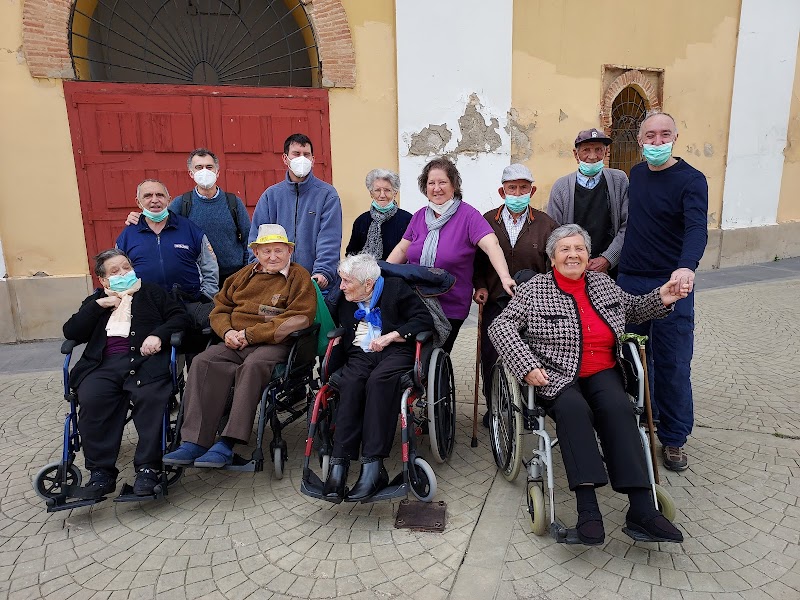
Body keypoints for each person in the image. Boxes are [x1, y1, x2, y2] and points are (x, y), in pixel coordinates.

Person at [489, 224, 689, 545]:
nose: (573, 255)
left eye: (579, 248)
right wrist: (526, 366)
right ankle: (588, 512)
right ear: (552, 258)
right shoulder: (535, 290)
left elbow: (633, 308)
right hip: (556, 374)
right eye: (565, 249)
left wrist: (663, 297)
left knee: (620, 410)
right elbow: (501, 327)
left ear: (588, 254)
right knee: (574, 411)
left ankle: (642, 508)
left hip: (603, 371)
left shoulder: (603, 283)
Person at [163, 224, 317, 468]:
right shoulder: (242, 276)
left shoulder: (299, 277)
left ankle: (228, 442)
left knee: (253, 365)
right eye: (266, 251)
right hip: (235, 340)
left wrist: (251, 334)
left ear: (289, 251)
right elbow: (219, 309)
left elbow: (299, 318)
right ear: (256, 253)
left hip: (274, 343)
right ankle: (194, 441)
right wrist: (227, 332)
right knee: (203, 362)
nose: (273, 257)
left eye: (278, 250)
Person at [617, 112, 708, 473]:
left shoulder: (691, 180)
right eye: (650, 136)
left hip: (671, 283)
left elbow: (696, 228)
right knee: (631, 358)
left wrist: (687, 266)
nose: (657, 142)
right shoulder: (637, 175)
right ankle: (642, 417)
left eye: (664, 135)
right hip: (631, 281)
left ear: (675, 138)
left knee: (672, 360)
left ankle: (673, 436)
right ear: (640, 140)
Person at [63, 249, 190, 498]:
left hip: (146, 362)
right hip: (103, 365)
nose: (123, 273)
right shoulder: (97, 301)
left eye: (126, 267)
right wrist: (98, 306)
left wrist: (158, 335)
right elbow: (72, 331)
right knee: (92, 398)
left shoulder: (151, 292)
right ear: (103, 280)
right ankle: (101, 473)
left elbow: (180, 317)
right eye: (115, 271)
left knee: (151, 397)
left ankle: (148, 468)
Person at [321, 253, 433, 502]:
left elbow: (423, 320)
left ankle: (373, 466)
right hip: (360, 353)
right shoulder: (346, 299)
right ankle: (339, 464)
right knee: (350, 383)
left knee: (378, 381)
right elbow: (340, 326)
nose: (341, 286)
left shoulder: (395, 289)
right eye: (341, 280)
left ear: (368, 284)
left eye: (347, 281)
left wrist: (392, 336)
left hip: (396, 351)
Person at [386, 157, 515, 353]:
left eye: (442, 182)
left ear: (454, 185)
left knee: (434, 354)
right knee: (410, 353)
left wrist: (505, 277)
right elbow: (403, 250)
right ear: (425, 187)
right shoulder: (420, 216)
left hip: (450, 303)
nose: (436, 188)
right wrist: (383, 272)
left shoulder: (468, 216)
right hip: (415, 298)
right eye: (431, 183)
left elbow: (492, 245)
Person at [473, 164, 558, 427]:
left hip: (533, 303)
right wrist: (480, 286)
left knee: (532, 354)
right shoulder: (487, 220)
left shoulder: (546, 224)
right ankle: (495, 407)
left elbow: (552, 265)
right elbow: (477, 260)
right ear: (502, 192)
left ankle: (530, 407)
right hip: (495, 300)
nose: (518, 193)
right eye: (512, 188)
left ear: (532, 190)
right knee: (490, 354)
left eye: (523, 188)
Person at [124, 149, 251, 283]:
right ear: (191, 173)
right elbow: (158, 220)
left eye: (209, 167)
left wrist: (247, 270)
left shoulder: (233, 202)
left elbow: (249, 238)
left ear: (217, 172)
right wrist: (139, 217)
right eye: (199, 167)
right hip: (200, 277)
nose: (204, 171)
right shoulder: (182, 203)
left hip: (235, 276)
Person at [249, 133, 342, 293]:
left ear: (313, 160)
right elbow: (257, 239)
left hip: (315, 284)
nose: (302, 159)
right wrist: (260, 270)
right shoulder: (271, 196)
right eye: (296, 154)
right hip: (274, 283)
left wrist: (323, 272)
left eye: (306, 154)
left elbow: (329, 238)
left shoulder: (327, 195)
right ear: (285, 158)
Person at [116, 179, 219, 303]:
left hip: (189, 304)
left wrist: (206, 297)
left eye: (160, 195)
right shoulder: (127, 235)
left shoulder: (189, 229)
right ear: (138, 202)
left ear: (169, 200)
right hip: (145, 305)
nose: (154, 200)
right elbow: (117, 272)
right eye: (148, 196)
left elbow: (209, 267)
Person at [547, 128, 629, 277]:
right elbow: (555, 232)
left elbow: (627, 224)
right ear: (576, 154)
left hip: (612, 269)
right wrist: (577, 261)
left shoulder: (619, 180)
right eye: (586, 150)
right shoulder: (561, 187)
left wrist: (608, 258)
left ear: (606, 152)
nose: (592, 156)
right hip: (573, 267)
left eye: (598, 150)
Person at [345, 168, 412, 260]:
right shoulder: (361, 221)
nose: (382, 195)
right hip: (367, 269)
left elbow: (411, 253)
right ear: (371, 193)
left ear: (395, 193)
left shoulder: (408, 220)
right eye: (377, 190)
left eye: (387, 190)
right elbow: (351, 253)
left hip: (397, 269)